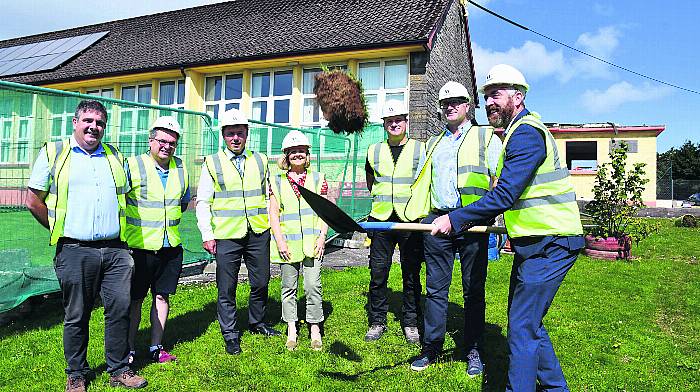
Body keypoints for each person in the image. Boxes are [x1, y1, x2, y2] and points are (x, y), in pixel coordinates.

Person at [431, 64, 584, 391]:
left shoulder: (527, 133)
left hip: (551, 243)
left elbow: (504, 194)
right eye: (486, 97)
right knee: (528, 324)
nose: (489, 103)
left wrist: (454, 219)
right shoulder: (515, 133)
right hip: (535, 244)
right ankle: (557, 388)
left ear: (519, 96)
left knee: (521, 329)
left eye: (496, 94)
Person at [25, 100, 147, 391]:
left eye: (100, 122)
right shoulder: (55, 153)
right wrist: (60, 228)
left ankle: (119, 369)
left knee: (119, 309)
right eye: (88, 121)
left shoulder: (115, 156)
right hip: (75, 249)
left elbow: (127, 197)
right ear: (75, 123)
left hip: (116, 250)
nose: (94, 127)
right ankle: (76, 374)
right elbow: (32, 200)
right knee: (77, 314)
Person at [406, 81, 503, 375]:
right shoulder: (433, 143)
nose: (450, 106)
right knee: (436, 290)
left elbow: (499, 180)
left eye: (457, 101)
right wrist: (423, 218)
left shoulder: (487, 138)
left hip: (473, 224)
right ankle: (431, 348)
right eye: (445, 103)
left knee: (473, 290)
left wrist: (491, 217)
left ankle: (473, 349)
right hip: (438, 223)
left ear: (468, 106)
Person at [196, 108, 281, 356]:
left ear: (247, 134)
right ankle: (231, 334)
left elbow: (270, 194)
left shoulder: (261, 160)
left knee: (261, 281)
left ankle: (257, 323)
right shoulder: (212, 163)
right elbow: (203, 201)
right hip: (227, 234)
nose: (235, 138)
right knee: (227, 287)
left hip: (257, 231)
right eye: (231, 133)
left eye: (240, 133)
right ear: (223, 135)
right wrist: (206, 233)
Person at [125, 116, 190, 364]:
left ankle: (156, 347)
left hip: (170, 246)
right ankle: (129, 349)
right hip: (139, 247)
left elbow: (183, 203)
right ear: (151, 140)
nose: (167, 146)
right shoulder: (133, 166)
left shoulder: (181, 167)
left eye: (172, 143)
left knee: (162, 297)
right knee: (135, 300)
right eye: (162, 141)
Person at [364, 100, 425, 344]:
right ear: (384, 124)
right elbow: (371, 182)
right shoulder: (374, 150)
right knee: (378, 272)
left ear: (406, 122)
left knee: (411, 273)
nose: (394, 123)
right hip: (380, 219)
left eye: (398, 119)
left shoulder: (420, 149)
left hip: (410, 219)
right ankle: (377, 321)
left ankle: (410, 322)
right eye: (389, 120)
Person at [268, 130, 329, 351]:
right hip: (288, 245)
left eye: (301, 151)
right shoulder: (276, 181)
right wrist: (280, 242)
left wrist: (322, 237)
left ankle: (315, 329)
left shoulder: (318, 178)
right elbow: (273, 214)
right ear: (286, 155)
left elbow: (326, 212)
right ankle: (292, 330)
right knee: (288, 288)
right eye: (293, 152)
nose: (297, 155)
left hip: (313, 243)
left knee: (313, 286)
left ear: (307, 154)